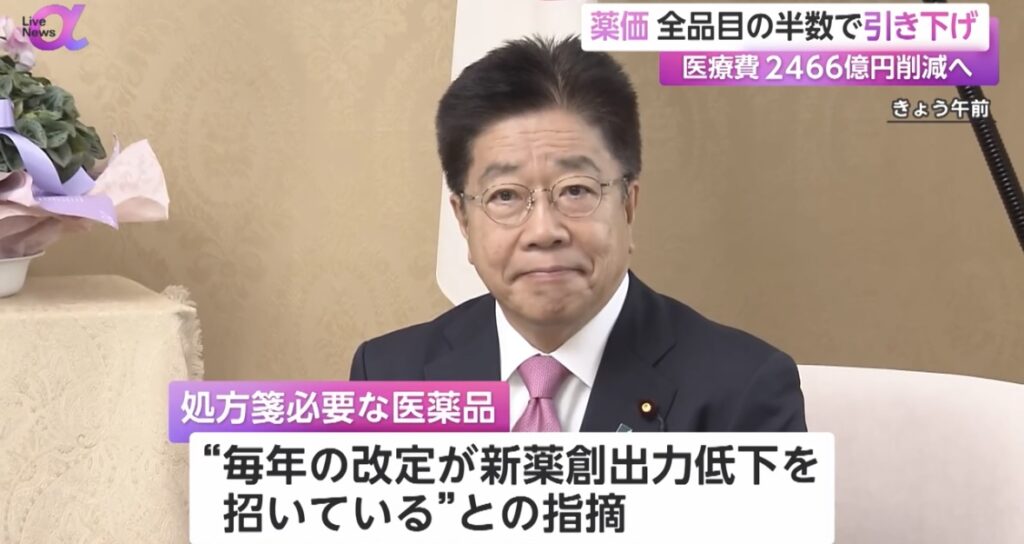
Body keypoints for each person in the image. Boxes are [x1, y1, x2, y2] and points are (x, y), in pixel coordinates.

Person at [349, 35, 806, 432]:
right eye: (505, 196)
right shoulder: (388, 376)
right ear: (464, 221)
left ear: (628, 204)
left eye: (575, 190)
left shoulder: (744, 391)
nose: (544, 231)